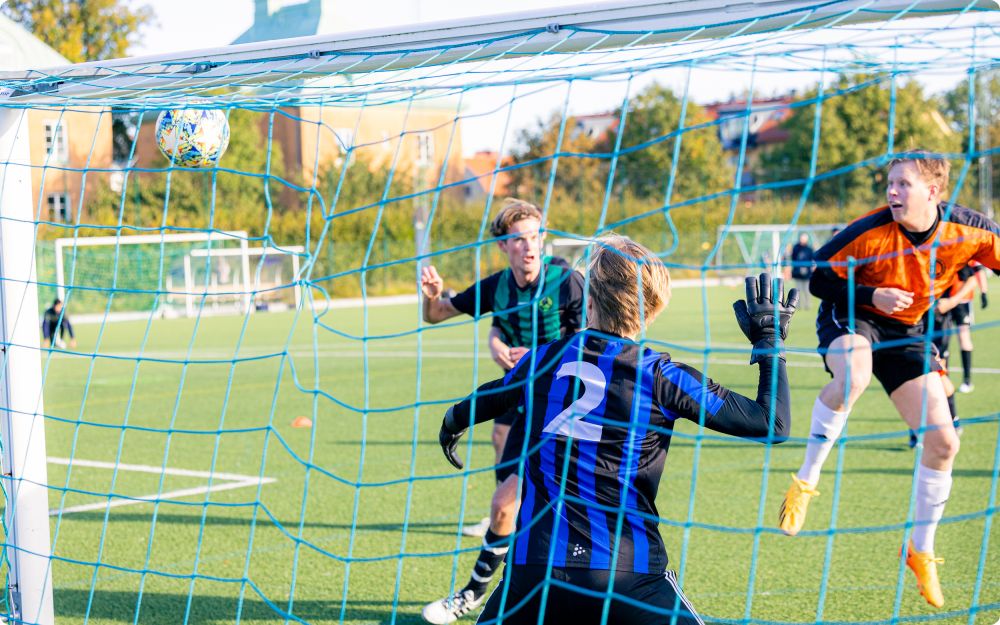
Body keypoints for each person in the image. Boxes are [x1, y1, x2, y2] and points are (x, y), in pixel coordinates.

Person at [436, 235, 797, 625]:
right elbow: (772, 425)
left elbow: (486, 399)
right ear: (653, 307)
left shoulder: (543, 358)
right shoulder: (661, 376)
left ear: (589, 297)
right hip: (626, 576)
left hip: (533, 576)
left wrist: (452, 424)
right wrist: (768, 344)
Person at [777, 152, 1000, 608]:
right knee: (853, 377)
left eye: (903, 184)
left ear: (933, 192)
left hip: (909, 333)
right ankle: (804, 482)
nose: (892, 192)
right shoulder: (867, 232)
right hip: (853, 316)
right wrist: (871, 292)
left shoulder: (969, 229)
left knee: (944, 443)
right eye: (890, 183)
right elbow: (817, 280)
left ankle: (920, 549)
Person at [420, 198, 585, 623]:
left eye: (534, 237)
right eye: (518, 240)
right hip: (527, 404)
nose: (529, 247)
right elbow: (437, 314)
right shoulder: (497, 288)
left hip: (572, 409)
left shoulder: (566, 281)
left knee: (532, 507)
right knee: (507, 503)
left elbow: (596, 342)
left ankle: (480, 592)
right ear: (503, 247)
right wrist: (433, 298)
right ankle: (482, 593)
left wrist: (539, 355)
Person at [936, 262, 988, 393]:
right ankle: (943, 379)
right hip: (941, 301)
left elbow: (975, 275)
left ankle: (967, 380)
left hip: (961, 301)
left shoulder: (963, 251)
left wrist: (983, 292)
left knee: (964, 337)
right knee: (941, 343)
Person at [790, 233, 816, 309]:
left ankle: (807, 305)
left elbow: (812, 260)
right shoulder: (796, 248)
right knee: (798, 290)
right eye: (802, 238)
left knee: (807, 290)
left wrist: (807, 268)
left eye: (804, 238)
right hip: (797, 273)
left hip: (807, 274)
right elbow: (793, 259)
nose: (803, 240)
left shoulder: (809, 249)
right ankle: (797, 305)